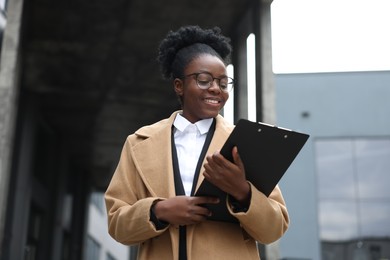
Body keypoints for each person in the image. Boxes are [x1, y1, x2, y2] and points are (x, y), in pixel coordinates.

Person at [104, 25, 289, 260]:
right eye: (204, 80)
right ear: (179, 86)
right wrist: (159, 210)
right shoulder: (138, 143)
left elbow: (274, 229)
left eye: (223, 83)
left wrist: (242, 192)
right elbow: (117, 224)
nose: (216, 89)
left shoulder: (247, 143)